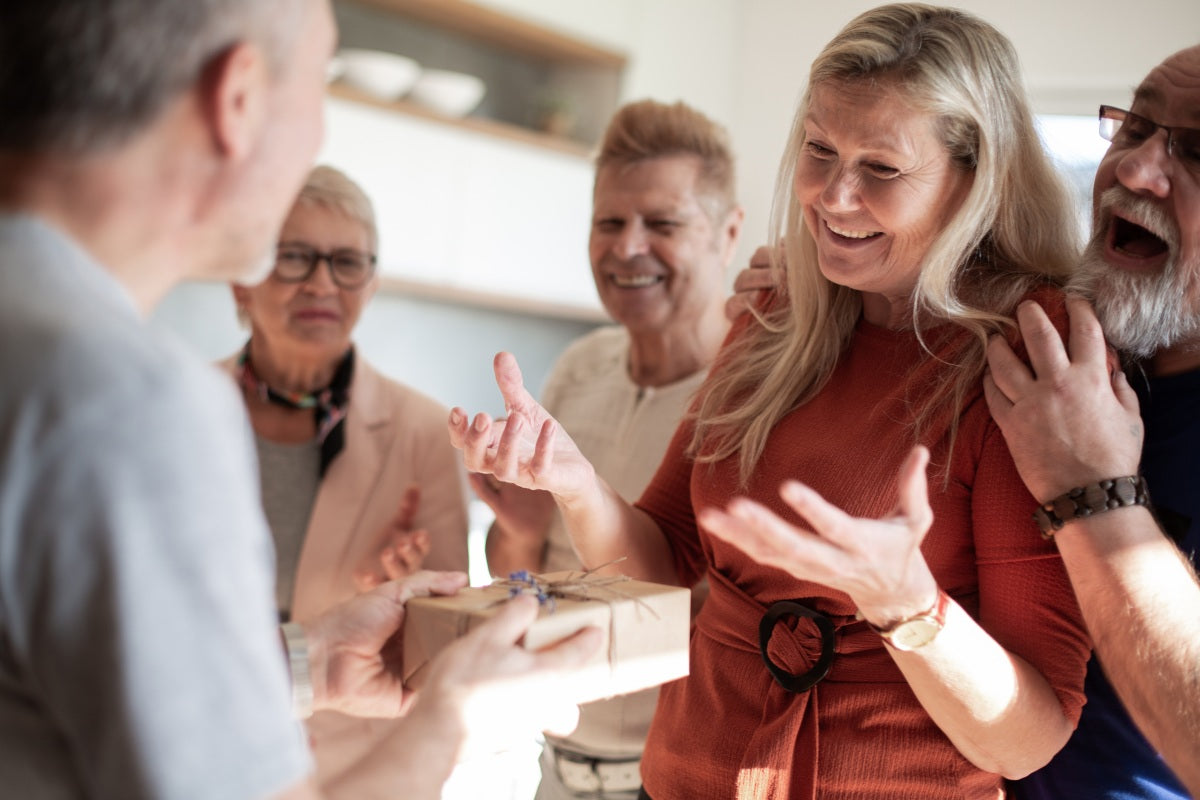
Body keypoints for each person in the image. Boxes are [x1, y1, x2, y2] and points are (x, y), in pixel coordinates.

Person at [448, 4, 1092, 797]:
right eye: (819, 151)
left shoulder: (1029, 348)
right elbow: (663, 564)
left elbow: (1029, 738)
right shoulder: (776, 311)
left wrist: (907, 604)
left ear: (972, 177)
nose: (834, 196)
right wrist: (576, 483)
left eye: (882, 169)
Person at [0, 2, 601, 799]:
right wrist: (454, 714)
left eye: (349, 263)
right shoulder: (136, 405)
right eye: (319, 84)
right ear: (239, 99)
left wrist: (306, 662)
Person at [476, 98, 743, 800]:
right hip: (558, 769)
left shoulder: (760, 391)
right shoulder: (578, 369)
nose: (628, 247)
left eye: (662, 224)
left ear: (729, 232)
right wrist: (518, 533)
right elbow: (519, 579)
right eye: (609, 222)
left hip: (684, 777)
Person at [983, 44, 1200, 800]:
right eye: (1135, 126)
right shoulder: (1054, 344)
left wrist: (1093, 489)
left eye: (1199, 149)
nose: (1135, 170)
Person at [225, 163, 470, 795]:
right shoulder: (176, 410)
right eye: (294, 257)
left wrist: (397, 594)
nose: (322, 283)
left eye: (347, 262)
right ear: (239, 282)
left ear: (372, 281)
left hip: (353, 769)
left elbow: (440, 642)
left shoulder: (424, 429)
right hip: (198, 751)